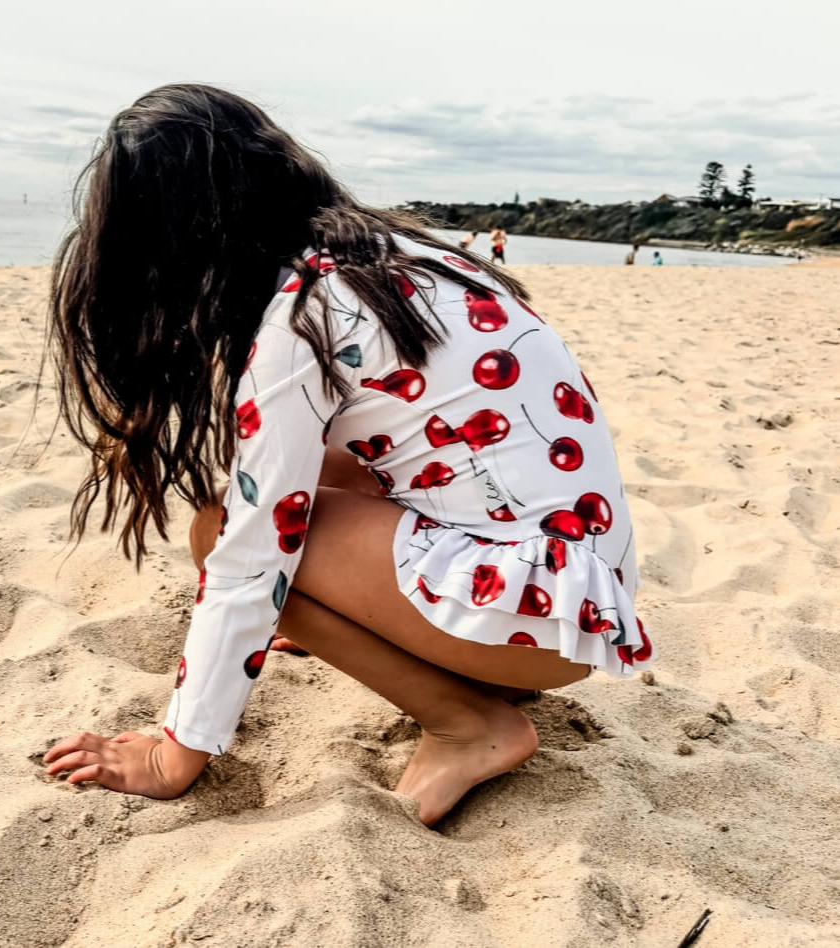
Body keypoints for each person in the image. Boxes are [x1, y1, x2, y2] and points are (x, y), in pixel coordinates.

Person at [41, 84, 654, 826]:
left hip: (529, 625)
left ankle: (469, 727)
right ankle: (430, 648)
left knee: (221, 528)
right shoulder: (404, 255)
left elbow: (248, 557)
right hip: (585, 599)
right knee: (318, 469)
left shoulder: (303, 316)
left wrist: (176, 753)